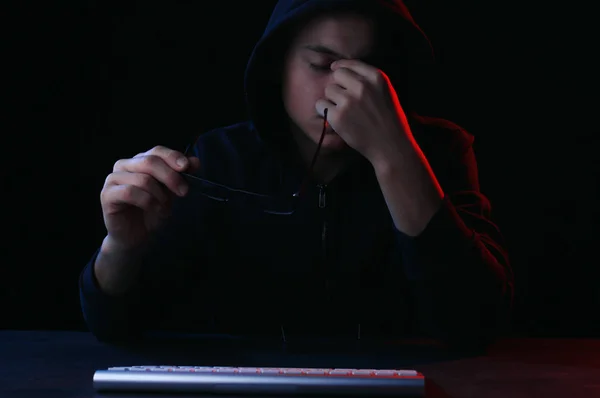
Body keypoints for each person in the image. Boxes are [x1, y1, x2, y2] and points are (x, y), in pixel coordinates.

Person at [79, 0, 514, 349]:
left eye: (369, 71)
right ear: (278, 68)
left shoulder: (440, 152)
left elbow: (477, 323)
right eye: (322, 64)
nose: (346, 91)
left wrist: (395, 155)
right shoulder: (219, 159)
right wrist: (122, 247)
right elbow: (115, 327)